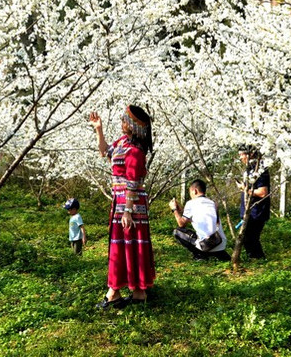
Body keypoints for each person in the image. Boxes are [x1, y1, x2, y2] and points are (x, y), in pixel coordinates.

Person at [89, 105, 155, 309]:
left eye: (125, 120)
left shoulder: (135, 151)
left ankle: (125, 292)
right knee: (123, 244)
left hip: (130, 202)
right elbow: (104, 151)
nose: (122, 123)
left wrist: (127, 210)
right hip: (120, 200)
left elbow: (133, 181)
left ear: (133, 125)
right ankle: (131, 292)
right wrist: (98, 130)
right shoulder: (121, 144)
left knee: (130, 244)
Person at [169, 179, 231, 261]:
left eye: (190, 192)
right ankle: (219, 255)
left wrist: (174, 209)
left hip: (206, 245)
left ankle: (200, 255)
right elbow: (200, 217)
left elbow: (181, 224)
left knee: (177, 232)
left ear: (194, 191)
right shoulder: (212, 203)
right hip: (220, 243)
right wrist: (181, 211)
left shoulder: (191, 203)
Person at [238, 144, 271, 260]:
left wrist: (244, 189)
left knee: (251, 238)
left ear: (250, 154)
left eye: (242, 154)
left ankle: (259, 261)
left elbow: (263, 192)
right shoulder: (250, 169)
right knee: (246, 238)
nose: (241, 158)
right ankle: (255, 260)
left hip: (256, 212)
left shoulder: (260, 169)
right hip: (249, 211)